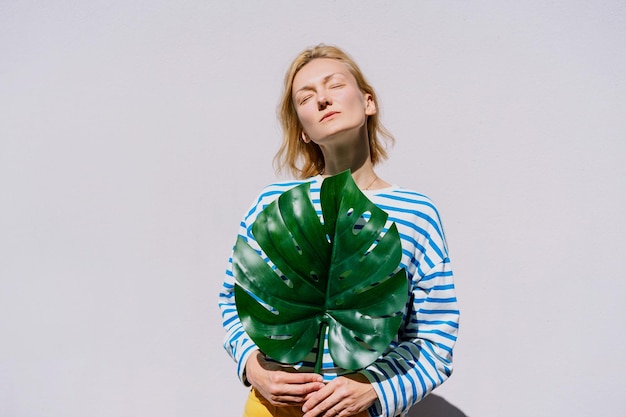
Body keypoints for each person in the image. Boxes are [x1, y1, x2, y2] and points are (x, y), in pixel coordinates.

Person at [219, 44, 459, 417]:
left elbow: (435, 336)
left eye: (334, 85)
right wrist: (253, 366)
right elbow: (233, 300)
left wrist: (375, 389)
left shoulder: (417, 212)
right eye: (306, 97)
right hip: (271, 409)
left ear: (368, 102)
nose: (322, 100)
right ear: (302, 131)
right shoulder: (277, 205)